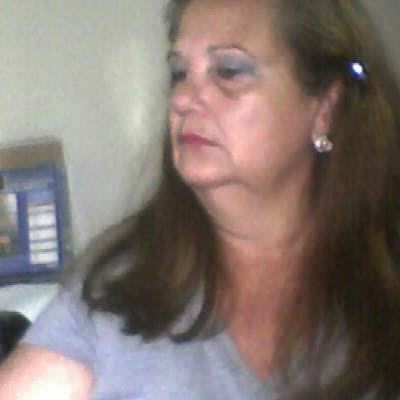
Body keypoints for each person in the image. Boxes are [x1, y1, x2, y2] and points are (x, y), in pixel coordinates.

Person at [1, 0, 399, 398]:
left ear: (323, 107)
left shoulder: (381, 296)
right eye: (179, 73)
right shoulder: (119, 288)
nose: (181, 99)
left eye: (229, 71)